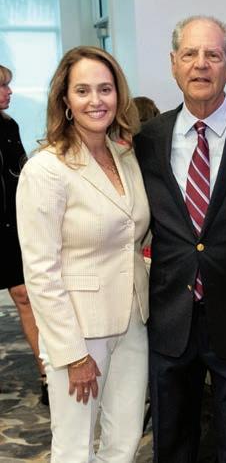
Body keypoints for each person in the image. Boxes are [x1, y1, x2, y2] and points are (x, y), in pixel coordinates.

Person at [134, 15, 226, 463]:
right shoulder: (147, 139)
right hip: (169, 314)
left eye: (213, 55)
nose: (201, 64)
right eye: (190, 54)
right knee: (171, 440)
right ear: (173, 64)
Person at [16, 46, 150, 462]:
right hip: (79, 330)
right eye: (83, 90)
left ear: (118, 94)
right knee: (75, 448)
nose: (96, 100)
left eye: (105, 89)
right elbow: (40, 271)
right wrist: (73, 354)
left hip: (133, 319)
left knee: (124, 441)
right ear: (65, 100)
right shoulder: (46, 169)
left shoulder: (125, 156)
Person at [0, 65, 49, 405]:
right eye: (3, 86)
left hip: (10, 223)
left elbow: (17, 172)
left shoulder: (10, 126)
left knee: (24, 295)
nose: (9, 92)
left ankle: (47, 374)